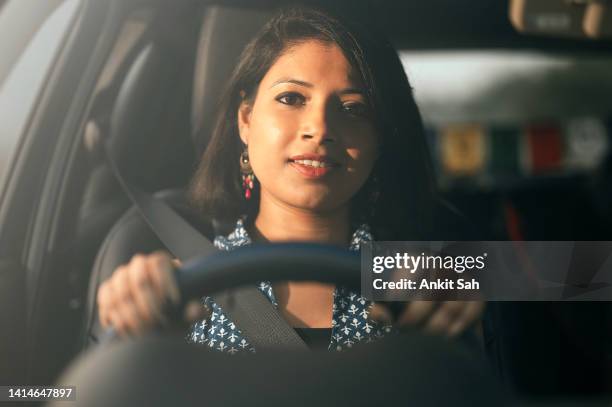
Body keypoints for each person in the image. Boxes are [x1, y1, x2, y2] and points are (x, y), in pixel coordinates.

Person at [95, 5, 484, 352]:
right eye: (292, 99)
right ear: (245, 119)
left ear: (379, 141)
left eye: (353, 108)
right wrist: (135, 307)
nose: (319, 128)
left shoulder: (417, 279)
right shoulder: (182, 289)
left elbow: (541, 278)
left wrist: (472, 281)